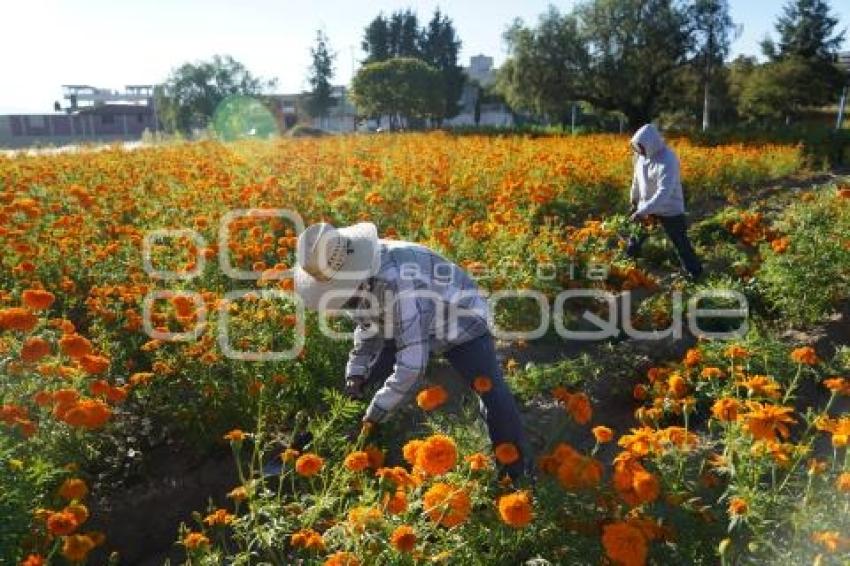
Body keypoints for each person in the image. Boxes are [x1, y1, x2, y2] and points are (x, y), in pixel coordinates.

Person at [294, 222, 530, 479]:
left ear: (358, 278)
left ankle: (516, 477)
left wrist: (375, 413)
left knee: (491, 392)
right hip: (407, 319)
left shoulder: (397, 281)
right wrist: (355, 375)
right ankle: (356, 461)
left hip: (459, 319)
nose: (345, 302)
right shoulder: (351, 277)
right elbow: (367, 328)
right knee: (366, 385)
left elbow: (412, 366)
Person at [627, 123, 703, 280]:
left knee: (680, 242)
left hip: (669, 208)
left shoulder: (668, 159)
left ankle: (695, 273)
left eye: (640, 146)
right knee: (635, 239)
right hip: (646, 205)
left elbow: (664, 192)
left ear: (650, 143)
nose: (638, 150)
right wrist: (634, 199)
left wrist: (642, 211)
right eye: (636, 146)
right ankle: (626, 267)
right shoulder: (640, 157)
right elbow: (637, 180)